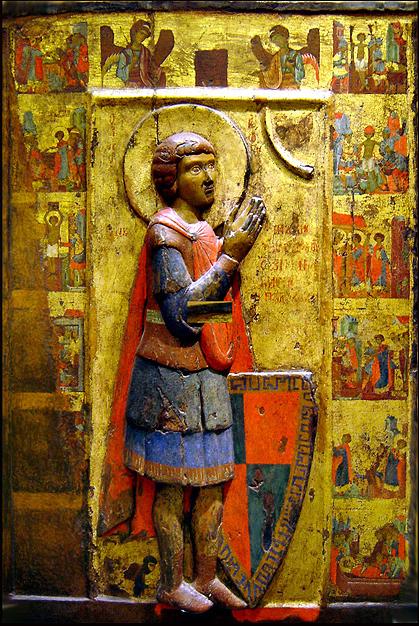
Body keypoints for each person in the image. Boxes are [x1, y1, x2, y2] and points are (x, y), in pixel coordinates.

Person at [99, 132, 266, 612]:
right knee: (172, 485)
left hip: (207, 375)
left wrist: (226, 251)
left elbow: (212, 306)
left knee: (213, 483)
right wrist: (231, 257)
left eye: (212, 165)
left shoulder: (205, 232)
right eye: (196, 168)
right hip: (168, 380)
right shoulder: (164, 235)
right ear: (171, 180)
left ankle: (206, 576)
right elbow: (181, 315)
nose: (209, 177)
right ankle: (172, 582)